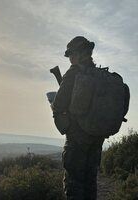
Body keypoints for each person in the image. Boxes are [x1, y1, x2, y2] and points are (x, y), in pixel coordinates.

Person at [52, 36, 105, 200]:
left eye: (70, 55)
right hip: (96, 141)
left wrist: (63, 122)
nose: (70, 59)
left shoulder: (73, 73)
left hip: (76, 141)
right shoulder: (100, 75)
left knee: (74, 186)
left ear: (77, 53)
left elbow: (58, 105)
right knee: (90, 185)